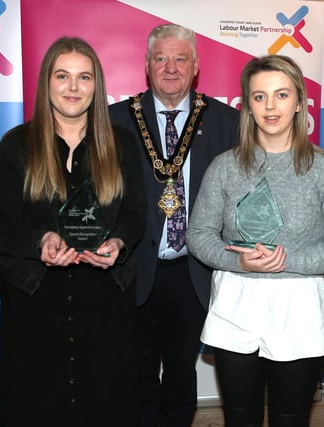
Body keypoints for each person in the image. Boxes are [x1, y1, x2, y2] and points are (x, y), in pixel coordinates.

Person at [186, 54, 324, 427]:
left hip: (299, 306)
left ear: (299, 102)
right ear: (247, 106)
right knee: (240, 417)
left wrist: (287, 260)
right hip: (236, 302)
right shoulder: (224, 166)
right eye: (259, 97)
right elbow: (198, 235)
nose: (270, 106)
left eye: (281, 95)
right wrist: (238, 261)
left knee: (290, 418)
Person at [0, 37, 146, 426]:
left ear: (97, 85)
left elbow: (137, 215)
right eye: (63, 76)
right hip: (35, 298)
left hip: (106, 298)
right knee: (38, 404)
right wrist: (39, 240)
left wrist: (118, 243)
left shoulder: (122, 144)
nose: (73, 88)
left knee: (105, 402)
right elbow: (0, 223)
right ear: (47, 82)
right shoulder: (17, 145)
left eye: (84, 77)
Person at [109, 23, 240, 426]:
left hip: (194, 270)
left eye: (180, 58)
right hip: (132, 269)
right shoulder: (114, 120)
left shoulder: (226, 122)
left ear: (196, 65)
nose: (170, 67)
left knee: (182, 373)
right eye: (161, 58)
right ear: (146, 65)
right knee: (137, 371)